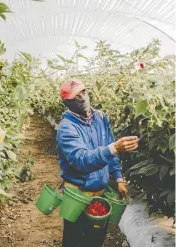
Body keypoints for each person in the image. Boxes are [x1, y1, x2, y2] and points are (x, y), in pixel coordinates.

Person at [57, 79, 138, 247]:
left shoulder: (101, 118)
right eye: (76, 96)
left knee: (96, 239)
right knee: (73, 241)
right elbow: (81, 160)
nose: (82, 98)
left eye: (83, 92)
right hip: (77, 195)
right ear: (67, 103)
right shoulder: (67, 128)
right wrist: (113, 148)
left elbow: (111, 153)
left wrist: (119, 178)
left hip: (100, 193)